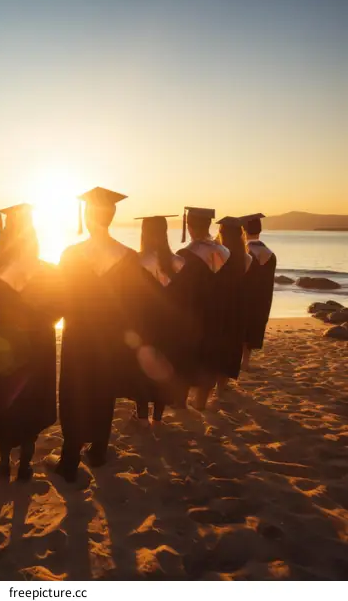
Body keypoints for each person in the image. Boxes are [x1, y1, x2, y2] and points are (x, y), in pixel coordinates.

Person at [55, 188, 170, 482]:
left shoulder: (70, 254)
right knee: (103, 392)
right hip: (111, 337)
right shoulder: (129, 257)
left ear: (87, 216)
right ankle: (98, 450)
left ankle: (69, 458)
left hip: (78, 335)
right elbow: (136, 304)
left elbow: (60, 297)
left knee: (74, 390)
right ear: (111, 215)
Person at [0, 204, 61, 481]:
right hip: (38, 348)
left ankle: (5, 462)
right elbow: (59, 310)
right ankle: (26, 465)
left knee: (5, 402)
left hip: (1, 349)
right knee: (31, 401)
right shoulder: (49, 273)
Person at [175, 206, 230, 410]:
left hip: (193, 313)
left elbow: (181, 289)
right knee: (210, 355)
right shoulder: (225, 252)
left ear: (188, 226)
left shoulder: (186, 255)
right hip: (218, 312)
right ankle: (201, 402)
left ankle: (181, 401)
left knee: (187, 355)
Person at [134, 215, 186, 425]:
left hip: (143, 320)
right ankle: (158, 416)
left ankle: (142, 415)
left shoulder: (135, 260)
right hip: (169, 323)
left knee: (142, 365)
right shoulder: (179, 263)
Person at [209, 216, 253, 398]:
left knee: (215, 342)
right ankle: (221, 386)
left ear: (221, 233)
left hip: (217, 302)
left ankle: (208, 384)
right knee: (230, 344)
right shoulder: (246, 258)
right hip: (236, 304)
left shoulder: (215, 255)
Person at [241, 213, 277, 370]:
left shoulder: (245, 253)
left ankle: (241, 362)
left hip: (244, 297)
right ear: (259, 230)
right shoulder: (270, 253)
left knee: (241, 328)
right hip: (262, 298)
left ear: (244, 230)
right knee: (253, 328)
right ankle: (246, 361)